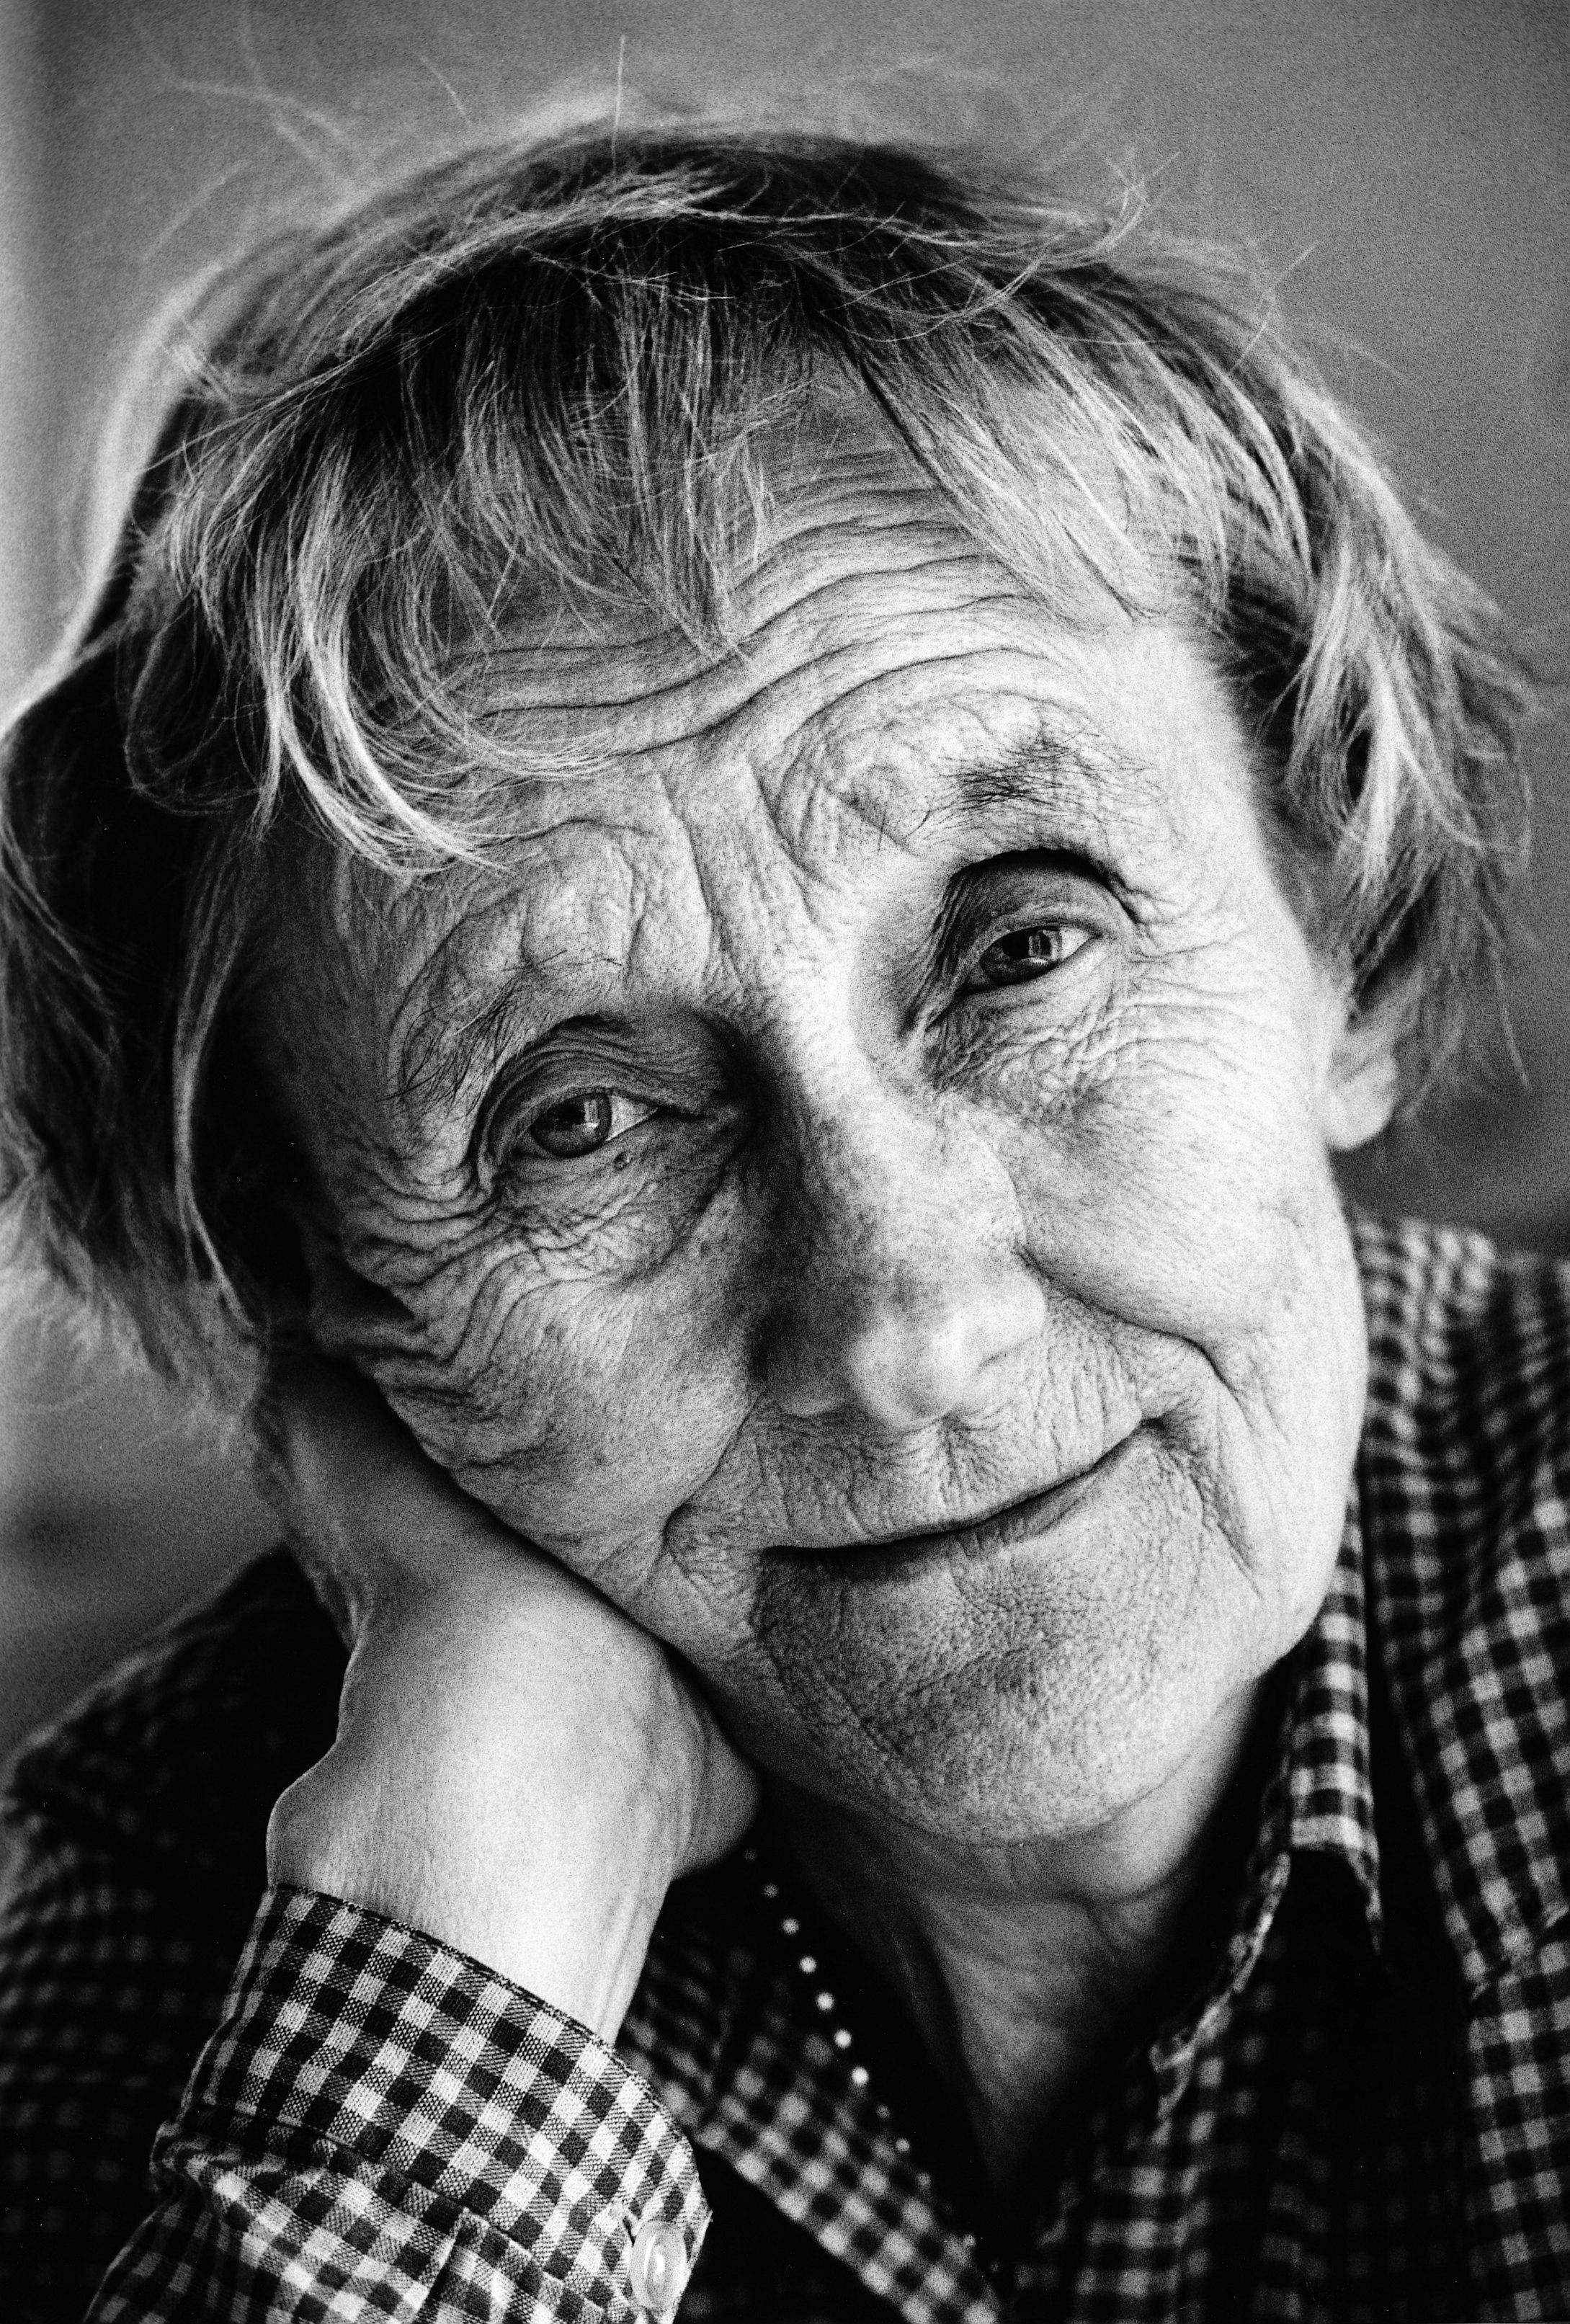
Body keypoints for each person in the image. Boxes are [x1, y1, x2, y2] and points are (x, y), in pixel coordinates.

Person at [0, 115, 1564, 2324]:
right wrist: (444, 2035)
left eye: (1024, 947)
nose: (904, 1321)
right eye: (582, 1118)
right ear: (315, 1286)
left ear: (1347, 940)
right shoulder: (159, 1912)